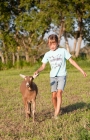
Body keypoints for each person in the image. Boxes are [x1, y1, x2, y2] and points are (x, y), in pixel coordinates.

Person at [34, 34, 87, 119]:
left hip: (62, 75)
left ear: (58, 43)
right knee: (53, 96)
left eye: (54, 43)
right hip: (52, 77)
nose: (52, 46)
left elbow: (72, 61)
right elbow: (43, 66)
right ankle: (57, 109)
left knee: (59, 94)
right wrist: (37, 70)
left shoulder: (63, 51)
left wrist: (81, 70)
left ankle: (56, 114)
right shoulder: (47, 54)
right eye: (50, 44)